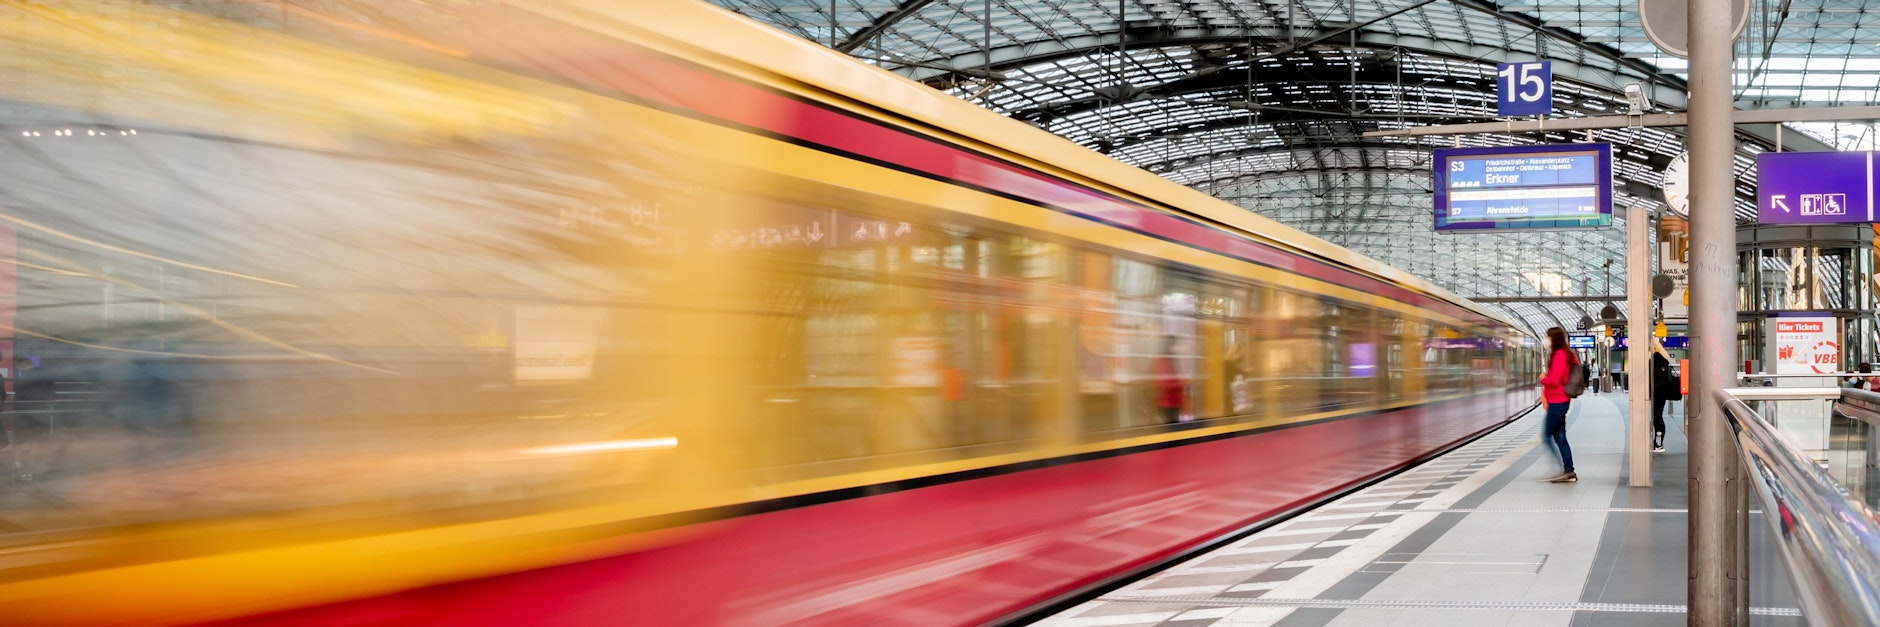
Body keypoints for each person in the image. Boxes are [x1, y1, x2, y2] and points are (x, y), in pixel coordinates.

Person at [1540, 327, 1578, 483]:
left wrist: (1543, 379)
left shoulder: (1559, 355)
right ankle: (1568, 470)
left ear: (1553, 338)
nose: (1546, 339)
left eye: (1547, 336)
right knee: (1560, 437)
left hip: (1558, 401)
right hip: (1559, 401)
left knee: (1547, 436)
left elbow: (1555, 380)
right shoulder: (1562, 354)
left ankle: (1564, 469)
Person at [1153, 335, 1185, 425]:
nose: (1177, 349)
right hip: (1167, 403)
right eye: (1175, 345)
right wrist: (1180, 384)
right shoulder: (1163, 361)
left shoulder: (1172, 360)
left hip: (1174, 402)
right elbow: (1164, 384)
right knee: (1171, 428)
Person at [1650, 341, 1674, 452]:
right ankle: (1658, 443)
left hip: (1658, 391)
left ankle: (1658, 444)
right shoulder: (1662, 358)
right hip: (1661, 391)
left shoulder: (1655, 358)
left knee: (1657, 418)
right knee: (1658, 417)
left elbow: (1654, 376)